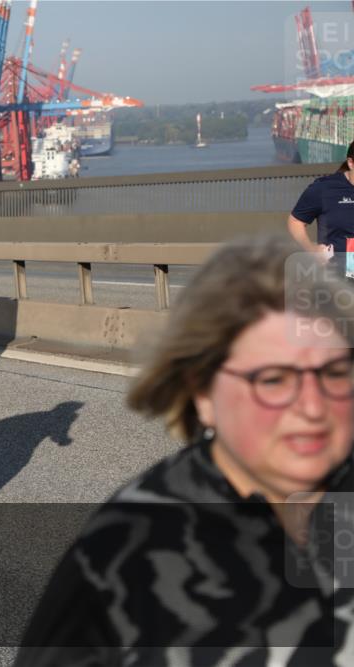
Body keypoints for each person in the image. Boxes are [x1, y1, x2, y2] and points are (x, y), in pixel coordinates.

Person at [19, 235, 354, 665]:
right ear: (204, 393)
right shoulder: (126, 550)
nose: (312, 406)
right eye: (273, 380)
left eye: (334, 373)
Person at [287, 140, 354, 274]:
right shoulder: (324, 189)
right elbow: (295, 222)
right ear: (351, 163)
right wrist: (311, 249)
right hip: (337, 277)